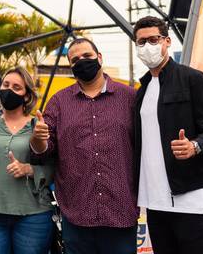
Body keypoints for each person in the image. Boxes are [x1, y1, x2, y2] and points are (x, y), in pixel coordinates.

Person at [30, 38, 137, 254]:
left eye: (87, 56)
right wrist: (38, 139)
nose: (82, 62)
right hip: (77, 213)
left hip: (121, 209)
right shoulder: (58, 102)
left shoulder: (129, 97)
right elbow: (44, 149)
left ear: (99, 58)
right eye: (75, 60)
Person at [133, 16, 203, 254]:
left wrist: (194, 146)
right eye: (141, 42)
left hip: (195, 203)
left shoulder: (193, 79)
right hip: (156, 205)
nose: (147, 46)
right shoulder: (141, 92)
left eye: (153, 40)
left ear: (167, 41)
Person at [0, 66, 54, 254]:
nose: (9, 90)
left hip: (34, 215)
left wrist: (29, 169)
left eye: (16, 87)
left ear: (27, 96)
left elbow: (55, 169)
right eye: (6, 85)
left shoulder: (38, 126)